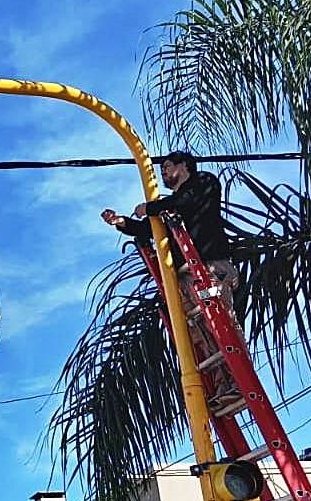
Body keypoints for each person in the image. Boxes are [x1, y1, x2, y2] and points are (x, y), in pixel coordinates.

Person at [101, 151, 241, 402]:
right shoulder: (170, 209)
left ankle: (239, 379)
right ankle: (225, 386)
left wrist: (150, 207)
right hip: (187, 275)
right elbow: (149, 229)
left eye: (166, 166)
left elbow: (185, 201)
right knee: (202, 333)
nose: (162, 172)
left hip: (210, 268)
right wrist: (121, 222)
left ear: (184, 166)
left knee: (220, 324)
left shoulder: (204, 183)